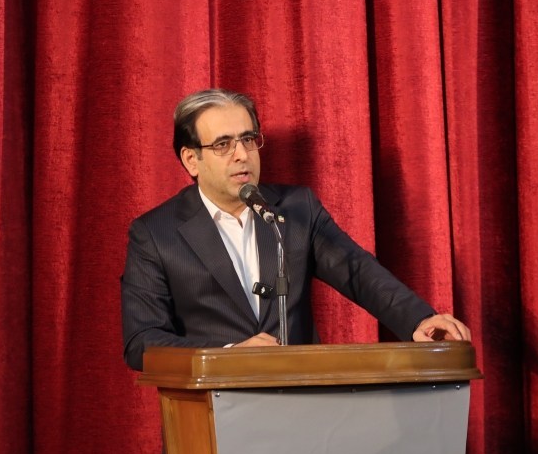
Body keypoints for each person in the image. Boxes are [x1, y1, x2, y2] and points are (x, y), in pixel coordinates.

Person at [121, 88, 471, 373]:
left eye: (248, 139)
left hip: (300, 405)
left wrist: (419, 319)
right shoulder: (155, 234)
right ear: (191, 159)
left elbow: (356, 270)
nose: (242, 154)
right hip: (209, 415)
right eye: (223, 145)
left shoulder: (295, 208)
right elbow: (142, 342)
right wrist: (227, 355)